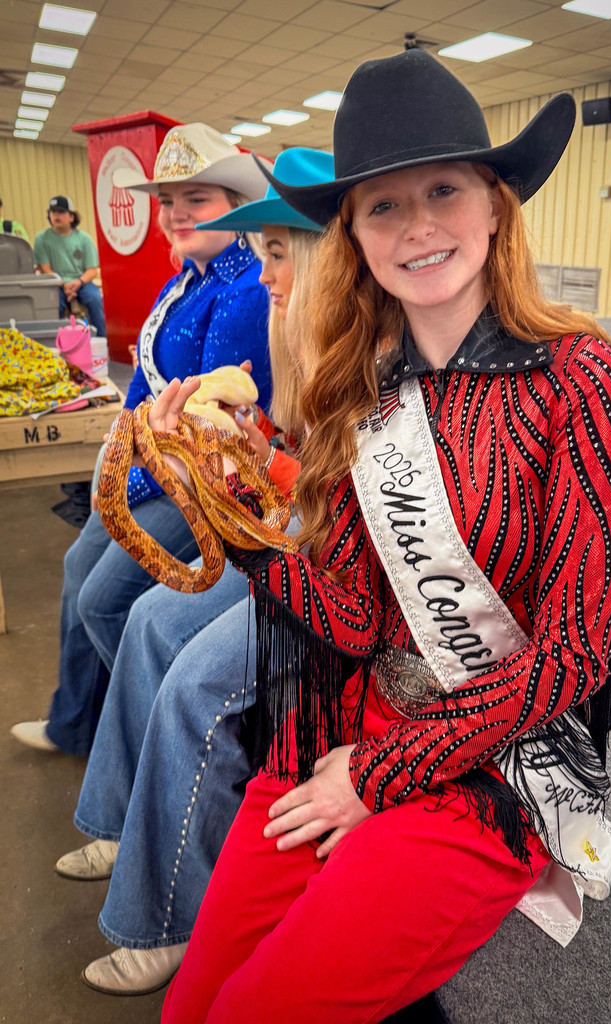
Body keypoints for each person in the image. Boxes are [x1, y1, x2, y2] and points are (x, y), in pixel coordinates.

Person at [146, 49, 611, 1024]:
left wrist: (378, 775)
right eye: (383, 205)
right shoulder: (362, 389)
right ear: (357, 234)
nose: (418, 225)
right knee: (193, 1009)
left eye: (446, 190)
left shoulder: (581, 379)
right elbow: (356, 615)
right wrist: (230, 516)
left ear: (497, 204)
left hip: (492, 767)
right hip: (347, 728)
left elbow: (577, 653)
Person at [54, 149, 333, 997]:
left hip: (325, 566)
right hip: (293, 540)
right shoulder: (288, 321)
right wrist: (253, 450)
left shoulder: (317, 324)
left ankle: (166, 913)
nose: (269, 273)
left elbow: (330, 500)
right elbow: (295, 462)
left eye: (282, 254)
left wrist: (253, 460)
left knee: (185, 676)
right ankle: (127, 816)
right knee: (140, 620)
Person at [11, 123, 270, 757]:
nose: (177, 214)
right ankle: (77, 721)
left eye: (197, 200)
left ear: (236, 209)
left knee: (103, 602)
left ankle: (138, 734)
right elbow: (144, 384)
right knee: (78, 569)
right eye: (168, 203)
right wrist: (115, 454)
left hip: (192, 484)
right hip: (143, 466)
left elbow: (208, 424)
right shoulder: (183, 281)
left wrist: (133, 466)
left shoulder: (243, 291)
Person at [33, 194, 107, 336]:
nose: (56, 215)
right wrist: (63, 285)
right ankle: (55, 343)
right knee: (53, 306)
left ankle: (101, 340)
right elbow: (45, 269)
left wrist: (78, 283)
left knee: (95, 299)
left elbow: (92, 270)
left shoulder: (84, 239)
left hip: (82, 283)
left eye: (61, 212)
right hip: (54, 284)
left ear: (71, 217)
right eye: (53, 212)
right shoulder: (41, 239)